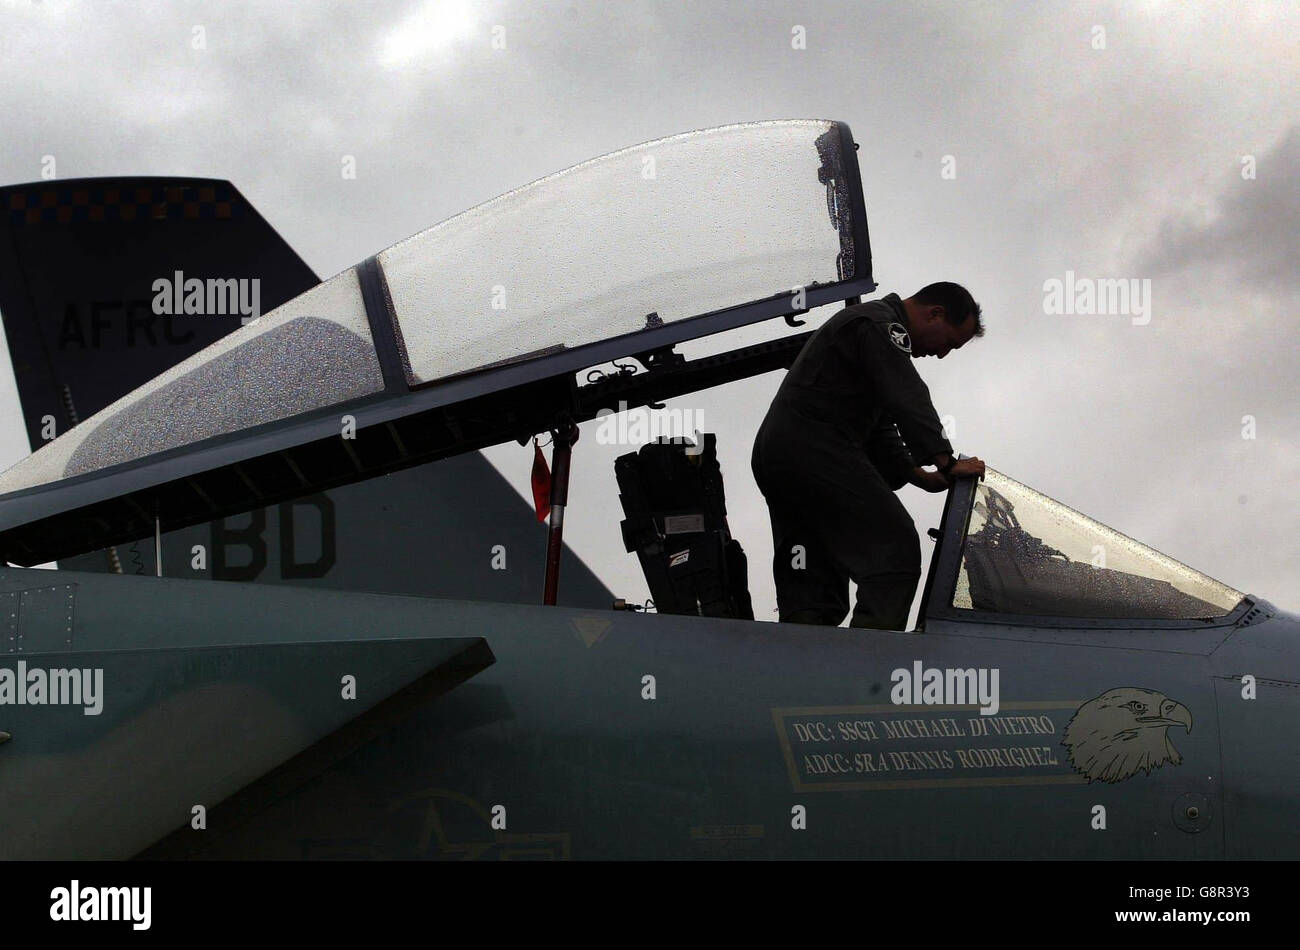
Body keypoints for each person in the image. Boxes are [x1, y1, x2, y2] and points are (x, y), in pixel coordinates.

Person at [750, 282, 987, 630]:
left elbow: (878, 425)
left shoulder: (866, 326)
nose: (942, 355)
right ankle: (869, 671)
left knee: (814, 585)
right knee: (895, 552)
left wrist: (918, 475)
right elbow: (906, 395)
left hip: (785, 458)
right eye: (949, 343)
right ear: (934, 313)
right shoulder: (879, 324)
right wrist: (946, 461)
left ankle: (804, 666)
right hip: (815, 449)